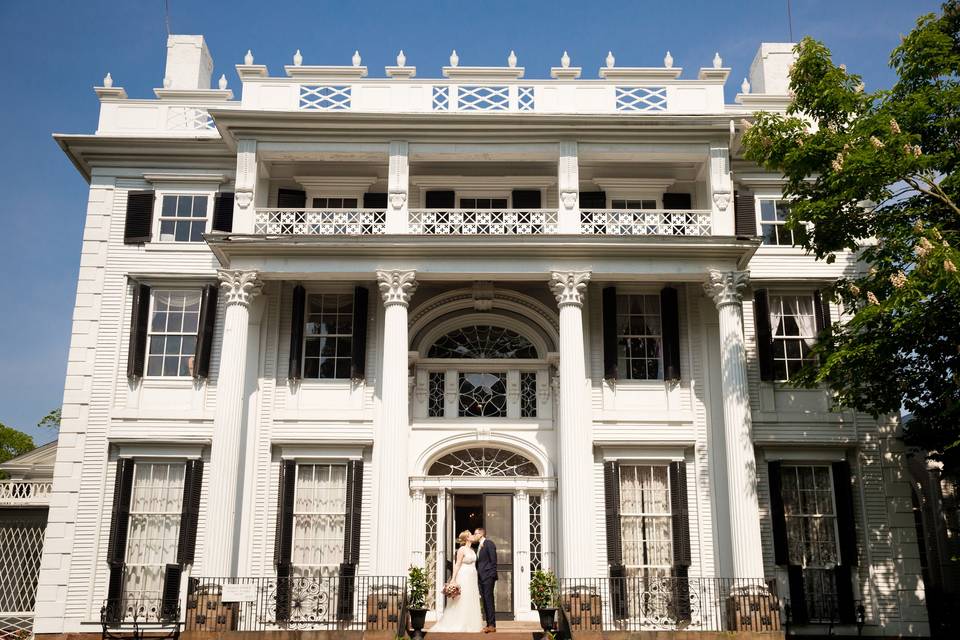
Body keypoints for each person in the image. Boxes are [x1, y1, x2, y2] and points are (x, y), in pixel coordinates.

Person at [429, 530, 484, 633]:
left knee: (471, 598)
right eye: (471, 535)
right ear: (467, 538)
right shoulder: (462, 550)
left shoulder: (472, 550)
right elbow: (457, 564)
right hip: (464, 575)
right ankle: (459, 622)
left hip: (472, 577)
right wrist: (453, 579)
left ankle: (470, 623)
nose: (473, 536)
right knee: (462, 599)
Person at [474, 526, 498, 633]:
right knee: (484, 601)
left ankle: (492, 624)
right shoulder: (479, 546)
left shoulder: (489, 543)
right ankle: (488, 624)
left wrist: (491, 575)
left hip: (488, 576)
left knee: (489, 600)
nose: (474, 536)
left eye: (476, 533)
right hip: (481, 577)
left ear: (481, 534)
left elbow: (493, 561)